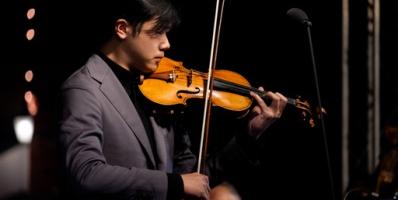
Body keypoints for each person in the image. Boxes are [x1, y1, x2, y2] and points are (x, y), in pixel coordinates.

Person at [57, 0, 288, 199]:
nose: (166, 43)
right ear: (122, 28)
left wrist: (248, 135)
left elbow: (196, 178)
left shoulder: (157, 90)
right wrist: (174, 184)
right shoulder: (83, 88)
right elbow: (85, 173)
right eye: (156, 32)